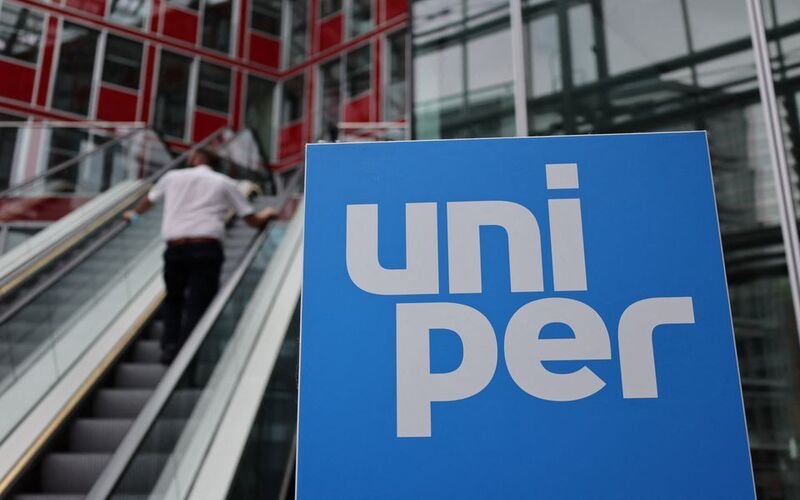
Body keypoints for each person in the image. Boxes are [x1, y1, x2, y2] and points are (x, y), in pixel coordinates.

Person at [124, 148, 278, 364]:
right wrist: (268, 214)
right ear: (214, 163)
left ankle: (169, 347)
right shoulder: (224, 182)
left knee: (173, 298)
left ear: (195, 159)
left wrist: (133, 215)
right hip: (206, 247)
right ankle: (188, 355)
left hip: (175, 247)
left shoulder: (172, 177)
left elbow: (150, 199)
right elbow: (249, 218)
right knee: (199, 301)